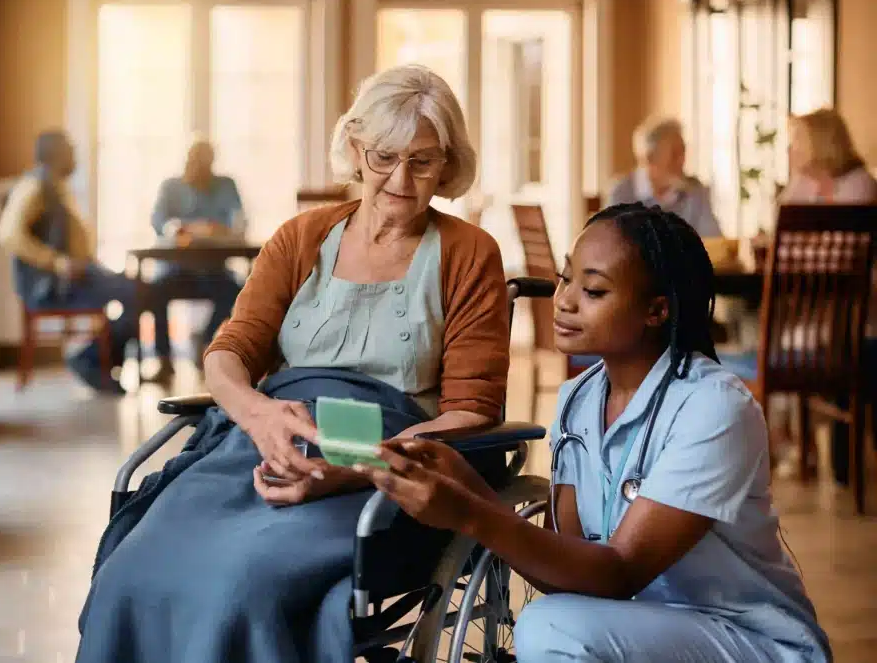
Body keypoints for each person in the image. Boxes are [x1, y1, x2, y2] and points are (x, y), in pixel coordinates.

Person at [75, 64, 510, 663]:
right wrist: (256, 415)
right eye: (384, 157)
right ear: (355, 151)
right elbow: (228, 352)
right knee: (133, 570)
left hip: (392, 455)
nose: (401, 180)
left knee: (242, 586)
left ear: (448, 164)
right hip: (269, 435)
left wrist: (358, 467)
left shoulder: (467, 253)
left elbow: (470, 413)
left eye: (423, 161)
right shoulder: (301, 237)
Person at [355, 202, 832, 663]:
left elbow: (620, 570)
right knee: (556, 619)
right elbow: (567, 571)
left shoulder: (714, 408)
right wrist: (471, 487)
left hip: (743, 636)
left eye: (594, 291)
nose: (563, 301)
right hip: (637, 626)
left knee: (550, 629)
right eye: (565, 279)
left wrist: (471, 514)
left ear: (656, 310)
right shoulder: (578, 400)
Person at [0, 130, 160, 394]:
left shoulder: (55, 185)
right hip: (54, 286)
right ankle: (91, 360)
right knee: (136, 291)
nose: (75, 156)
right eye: (70, 149)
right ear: (56, 154)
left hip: (79, 275)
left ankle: (100, 359)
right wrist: (58, 262)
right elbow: (8, 233)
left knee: (139, 290)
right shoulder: (34, 187)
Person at [779, 107, 877, 485]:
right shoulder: (802, 184)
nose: (791, 149)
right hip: (811, 308)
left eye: (797, 140)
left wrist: (801, 246)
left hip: (855, 313)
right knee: (757, 327)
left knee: (777, 346)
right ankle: (788, 444)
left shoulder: (860, 186)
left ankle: (793, 443)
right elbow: (785, 246)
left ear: (820, 142)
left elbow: (845, 256)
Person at [148, 139, 246, 375]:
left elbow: (238, 221)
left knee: (238, 291)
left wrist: (219, 229)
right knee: (154, 292)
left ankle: (206, 342)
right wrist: (175, 228)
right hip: (176, 270)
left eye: (204, 162)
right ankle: (163, 358)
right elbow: (158, 221)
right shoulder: (170, 187)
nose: (198, 167)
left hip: (214, 270)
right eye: (193, 161)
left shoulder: (225, 185)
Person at [607, 116, 722, 238]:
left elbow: (714, 242)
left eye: (683, 151)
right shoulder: (621, 193)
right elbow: (615, 248)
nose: (682, 160)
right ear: (649, 158)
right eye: (674, 154)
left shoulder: (695, 190)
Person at [780, 108, 877, 204]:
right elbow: (782, 217)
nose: (790, 148)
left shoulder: (859, 184)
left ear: (821, 143)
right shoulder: (803, 180)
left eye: (798, 138)